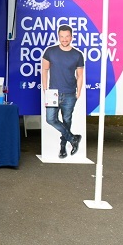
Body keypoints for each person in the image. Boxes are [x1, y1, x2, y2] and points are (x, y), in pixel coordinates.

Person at [41, 24, 84, 158]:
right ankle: (73, 138)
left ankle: (63, 148)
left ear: (71, 37)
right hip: (53, 92)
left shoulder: (77, 55)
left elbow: (80, 75)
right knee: (50, 119)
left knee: (67, 120)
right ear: (58, 36)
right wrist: (45, 88)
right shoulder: (50, 51)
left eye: (67, 37)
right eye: (61, 37)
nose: (64, 39)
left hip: (70, 93)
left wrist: (79, 91)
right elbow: (44, 70)